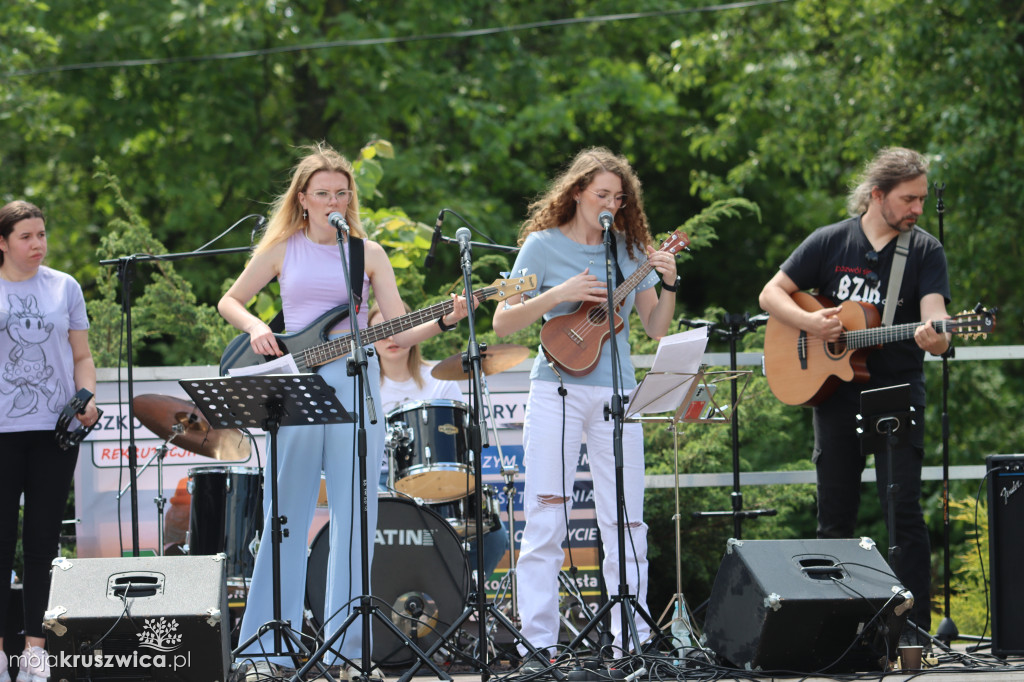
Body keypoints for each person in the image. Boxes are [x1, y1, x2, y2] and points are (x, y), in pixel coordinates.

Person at [218, 143, 468, 679]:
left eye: (342, 192)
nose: (334, 199)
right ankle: (266, 649)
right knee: (285, 517)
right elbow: (230, 300)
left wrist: (447, 320)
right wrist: (259, 327)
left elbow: (396, 331)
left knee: (358, 518)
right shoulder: (283, 247)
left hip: (357, 388)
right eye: (323, 192)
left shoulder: (366, 253)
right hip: (296, 387)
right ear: (303, 198)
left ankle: (346, 650)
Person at [491, 147, 679, 661]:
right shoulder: (540, 246)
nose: (611, 205)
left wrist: (668, 281)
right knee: (546, 514)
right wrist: (559, 294)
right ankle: (539, 646)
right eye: (601, 195)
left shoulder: (628, 248)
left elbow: (656, 327)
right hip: (554, 389)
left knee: (627, 520)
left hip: (618, 393)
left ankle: (629, 643)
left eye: (619, 198)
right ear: (576, 192)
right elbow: (501, 321)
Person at [758, 147, 950, 643]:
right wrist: (809, 322)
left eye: (922, 199)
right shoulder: (829, 242)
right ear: (877, 194)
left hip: (897, 393)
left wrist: (939, 335)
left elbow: (936, 319)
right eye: (909, 199)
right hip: (835, 397)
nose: (917, 209)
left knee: (902, 511)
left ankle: (912, 635)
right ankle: (836, 636)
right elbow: (771, 294)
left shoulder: (925, 250)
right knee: (835, 515)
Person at [0, 200, 99, 682]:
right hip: (1, 433)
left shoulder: (65, 287)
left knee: (41, 542)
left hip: (54, 431)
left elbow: (82, 356)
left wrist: (88, 398)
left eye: (42, 234)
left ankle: (35, 650)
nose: (37, 244)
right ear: (2, 243)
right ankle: (2, 648)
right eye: (26, 237)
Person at [368, 303, 508, 583]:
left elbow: (460, 443)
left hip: (435, 480)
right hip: (378, 483)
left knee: (493, 536)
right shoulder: (362, 386)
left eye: (398, 328)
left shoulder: (440, 380)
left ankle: (459, 600)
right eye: (380, 330)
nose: (390, 337)